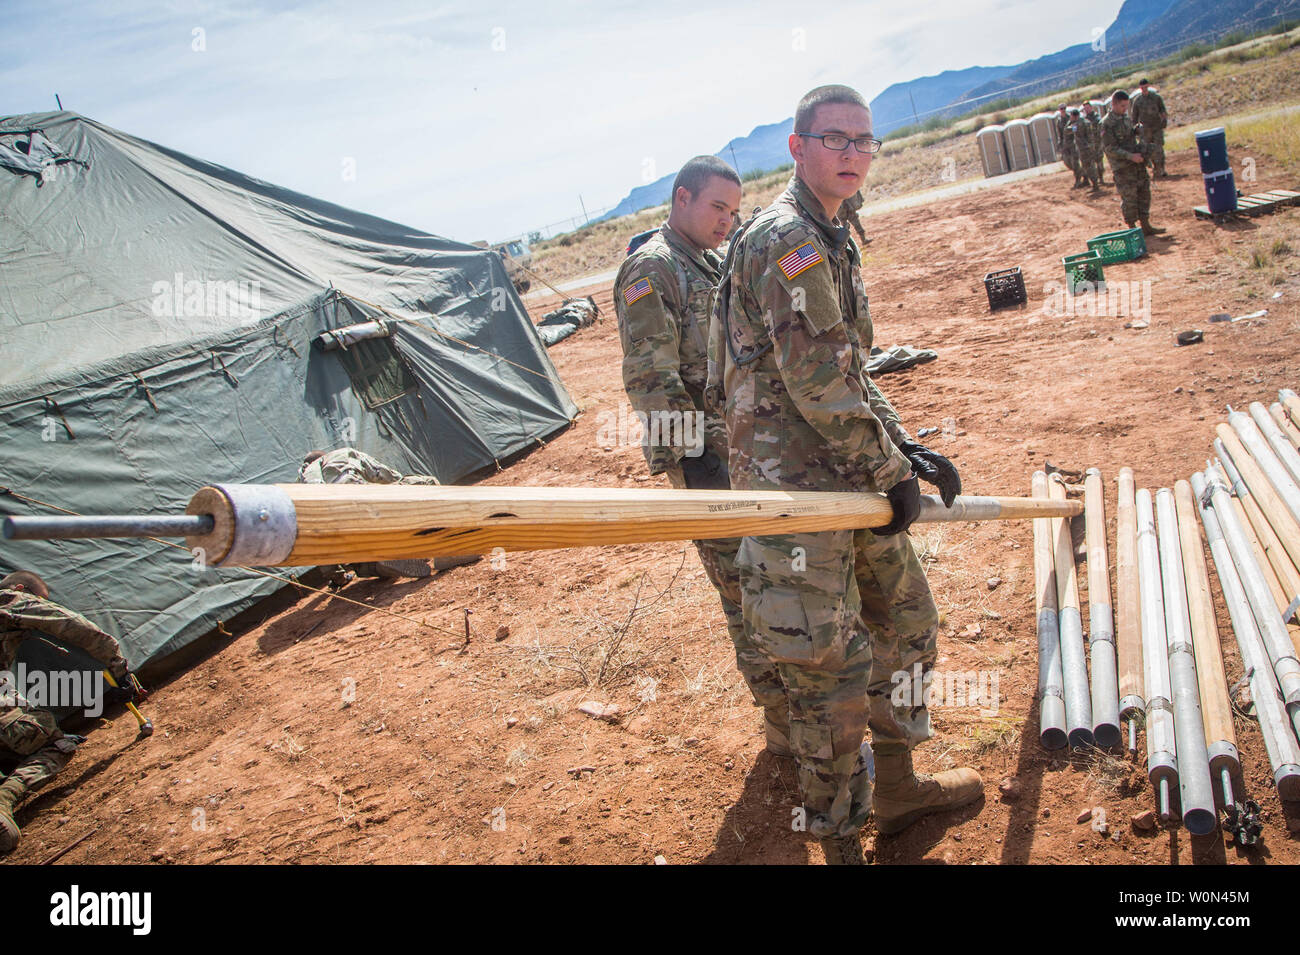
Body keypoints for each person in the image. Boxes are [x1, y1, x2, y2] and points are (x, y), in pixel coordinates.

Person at [708, 85, 981, 864]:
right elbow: (817, 384)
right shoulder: (786, 238)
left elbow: (849, 367)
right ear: (797, 147)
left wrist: (903, 447)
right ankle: (837, 845)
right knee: (827, 677)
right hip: (800, 496)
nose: (855, 154)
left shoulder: (834, 229)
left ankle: (897, 788)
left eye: (865, 141)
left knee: (906, 624)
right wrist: (889, 466)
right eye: (837, 139)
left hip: (852, 474)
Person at [613, 157, 792, 756]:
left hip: (740, 449)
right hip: (706, 461)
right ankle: (783, 723)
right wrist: (693, 461)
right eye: (718, 208)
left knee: (769, 575)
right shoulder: (652, 270)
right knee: (743, 589)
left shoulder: (710, 261)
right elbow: (649, 375)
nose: (727, 221)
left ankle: (796, 708)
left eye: (735, 212)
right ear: (682, 198)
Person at [0, 571, 144, 852]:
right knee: (57, 744)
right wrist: (117, 667)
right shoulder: (11, 600)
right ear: (20, 588)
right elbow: (73, 626)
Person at [299, 448, 448, 583]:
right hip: (367, 502)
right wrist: (400, 491)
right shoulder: (343, 454)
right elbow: (383, 474)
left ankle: (380, 562)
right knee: (428, 483)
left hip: (345, 526)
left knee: (360, 562)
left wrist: (338, 578)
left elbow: (317, 538)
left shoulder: (303, 485)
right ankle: (442, 537)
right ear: (325, 455)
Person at [1101, 90, 1167, 236]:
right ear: (1114, 104)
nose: (1125, 109)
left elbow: (1128, 137)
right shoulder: (1106, 123)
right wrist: (1130, 156)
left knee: (1144, 193)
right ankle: (1133, 229)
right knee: (1129, 198)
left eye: (1127, 106)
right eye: (1123, 106)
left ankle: (1146, 225)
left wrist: (1135, 131)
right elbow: (1110, 149)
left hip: (1137, 163)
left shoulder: (1125, 118)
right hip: (1123, 168)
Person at [1130, 78, 1168, 178]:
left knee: (1159, 148)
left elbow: (1162, 110)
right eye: (1142, 88)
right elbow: (1134, 117)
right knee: (1149, 150)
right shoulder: (1137, 101)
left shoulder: (1156, 97)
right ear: (1140, 88)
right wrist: (1135, 129)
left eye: (1146, 87)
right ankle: (1155, 168)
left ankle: (1161, 169)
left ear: (1149, 86)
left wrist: (1164, 120)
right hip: (1145, 130)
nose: (1144, 89)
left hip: (1157, 127)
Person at [1073, 104, 1103, 192]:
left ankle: (1097, 182)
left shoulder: (1082, 122)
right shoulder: (1085, 121)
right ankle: (1093, 182)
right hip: (1089, 146)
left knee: (1092, 163)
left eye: (1087, 107)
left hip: (1087, 147)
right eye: (1085, 108)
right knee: (1089, 164)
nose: (1086, 109)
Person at [1054, 104, 1080, 186]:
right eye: (1061, 108)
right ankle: (1081, 173)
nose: (1063, 110)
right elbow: (1060, 134)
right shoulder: (1059, 121)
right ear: (1059, 110)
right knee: (1066, 162)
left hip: (1072, 142)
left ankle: (1078, 179)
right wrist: (1060, 143)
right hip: (1065, 144)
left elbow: (1075, 128)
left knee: (1075, 161)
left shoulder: (1070, 118)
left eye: (1064, 108)